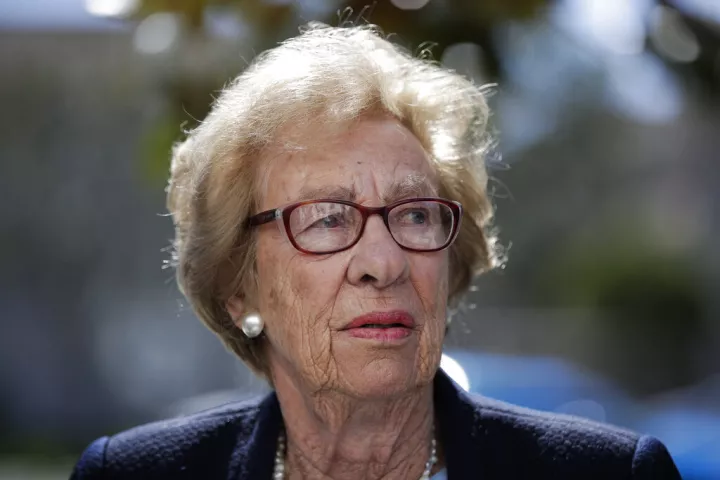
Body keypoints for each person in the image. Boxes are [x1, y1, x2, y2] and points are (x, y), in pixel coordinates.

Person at [70, 22, 681, 480]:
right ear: (238, 286)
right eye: (327, 219)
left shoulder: (610, 474)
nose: (384, 263)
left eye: (414, 215)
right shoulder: (130, 475)